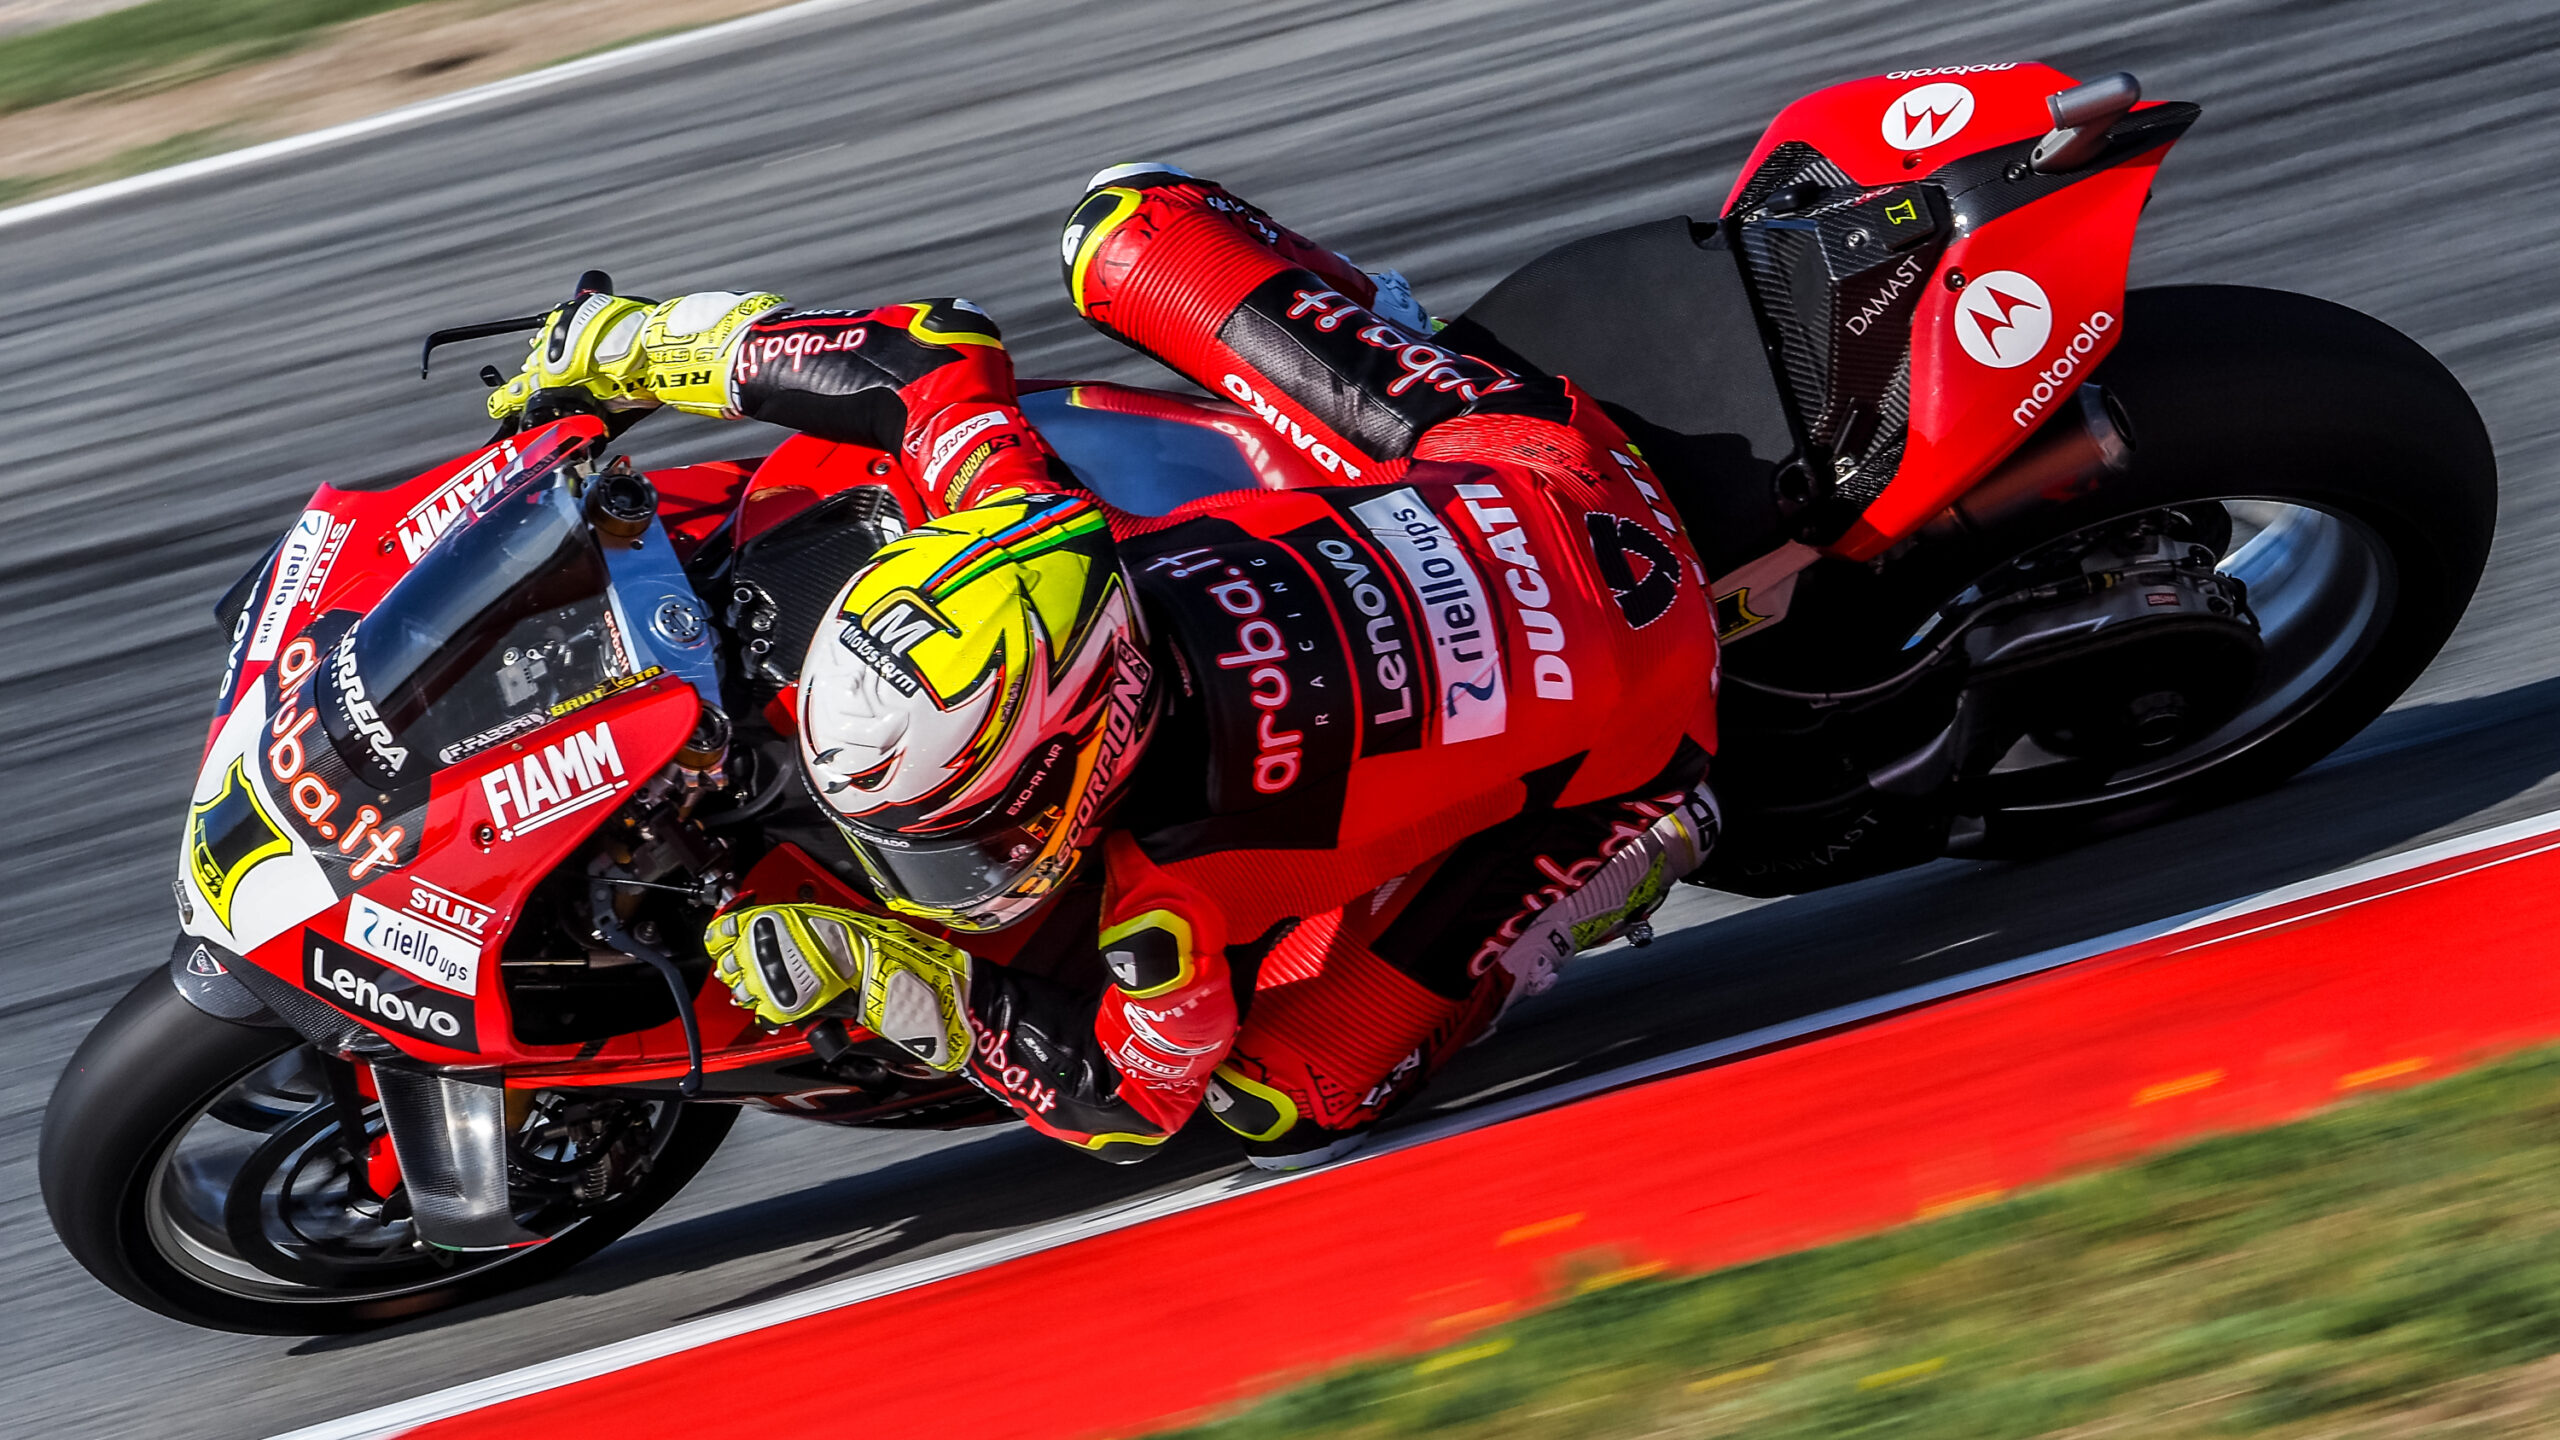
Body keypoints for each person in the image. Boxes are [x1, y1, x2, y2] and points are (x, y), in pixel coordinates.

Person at [489, 165, 1723, 1169]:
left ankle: (1617, 867)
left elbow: (1132, 1101)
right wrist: (632, 347)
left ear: (1093, 742)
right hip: (1515, 461)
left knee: (1288, 1097)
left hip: (1646, 713)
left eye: (967, 835)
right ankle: (1385, 335)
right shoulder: (1022, 533)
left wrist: (891, 972)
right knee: (1123, 222)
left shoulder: (1162, 907)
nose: (952, 871)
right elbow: (925, 356)